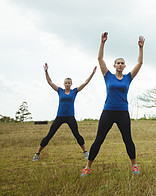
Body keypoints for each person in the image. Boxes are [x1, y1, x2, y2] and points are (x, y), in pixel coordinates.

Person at [81, 32, 144, 177]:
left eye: (122, 63)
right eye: (118, 63)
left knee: (127, 139)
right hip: (108, 111)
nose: (120, 65)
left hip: (123, 112)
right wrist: (102, 43)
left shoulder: (128, 77)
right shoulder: (108, 75)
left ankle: (134, 165)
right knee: (99, 139)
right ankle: (88, 167)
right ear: (114, 65)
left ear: (125, 66)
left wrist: (140, 48)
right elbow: (100, 58)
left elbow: (139, 63)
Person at [32, 64, 96, 161]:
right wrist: (46, 71)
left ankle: (85, 152)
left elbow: (85, 83)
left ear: (71, 84)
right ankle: (37, 153)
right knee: (49, 135)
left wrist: (92, 73)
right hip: (60, 117)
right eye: (66, 83)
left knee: (77, 135)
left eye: (69, 83)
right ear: (63, 84)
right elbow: (50, 82)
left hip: (70, 117)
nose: (67, 84)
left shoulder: (74, 91)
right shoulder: (60, 91)